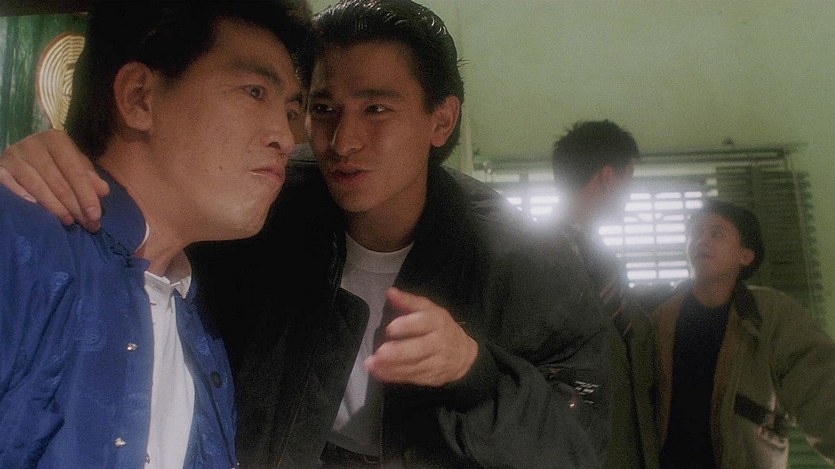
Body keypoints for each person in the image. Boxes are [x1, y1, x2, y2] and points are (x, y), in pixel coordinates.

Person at [0, 1, 611, 468]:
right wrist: (52, 160)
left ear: (441, 119)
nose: (339, 142)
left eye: (376, 109)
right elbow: (147, 194)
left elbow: (582, 441)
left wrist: (475, 373)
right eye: (319, 109)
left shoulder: (521, 256)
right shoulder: (267, 217)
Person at [0, 1, 309, 467]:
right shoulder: (21, 248)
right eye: (254, 91)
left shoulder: (200, 323)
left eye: (290, 110)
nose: (285, 137)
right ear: (139, 98)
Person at [653, 200, 835, 469]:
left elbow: (819, 390)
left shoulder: (771, 314)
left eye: (716, 233)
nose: (701, 239)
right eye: (695, 233)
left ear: (745, 256)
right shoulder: (657, 316)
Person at [552, 120, 660, 469]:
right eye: (630, 179)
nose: (629, 194)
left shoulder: (605, 263)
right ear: (609, 176)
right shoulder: (535, 259)